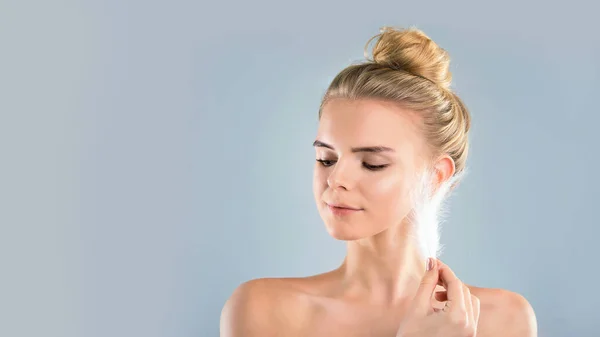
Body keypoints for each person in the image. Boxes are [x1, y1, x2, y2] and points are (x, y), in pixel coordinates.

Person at [220, 26, 538, 337]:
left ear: (436, 176)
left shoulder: (503, 320)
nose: (336, 179)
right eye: (326, 159)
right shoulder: (265, 310)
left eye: (373, 164)